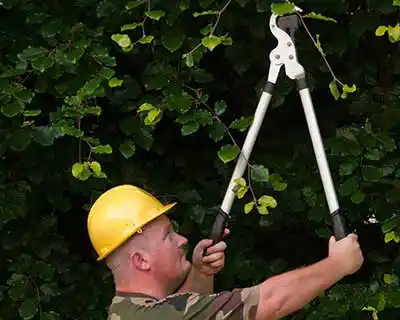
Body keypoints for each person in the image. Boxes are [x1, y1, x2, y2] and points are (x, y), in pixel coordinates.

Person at [87, 184, 364, 319]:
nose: (182, 239)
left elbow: (190, 308)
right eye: (168, 236)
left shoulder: (127, 310)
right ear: (141, 260)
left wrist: (200, 272)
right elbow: (269, 301)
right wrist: (338, 264)